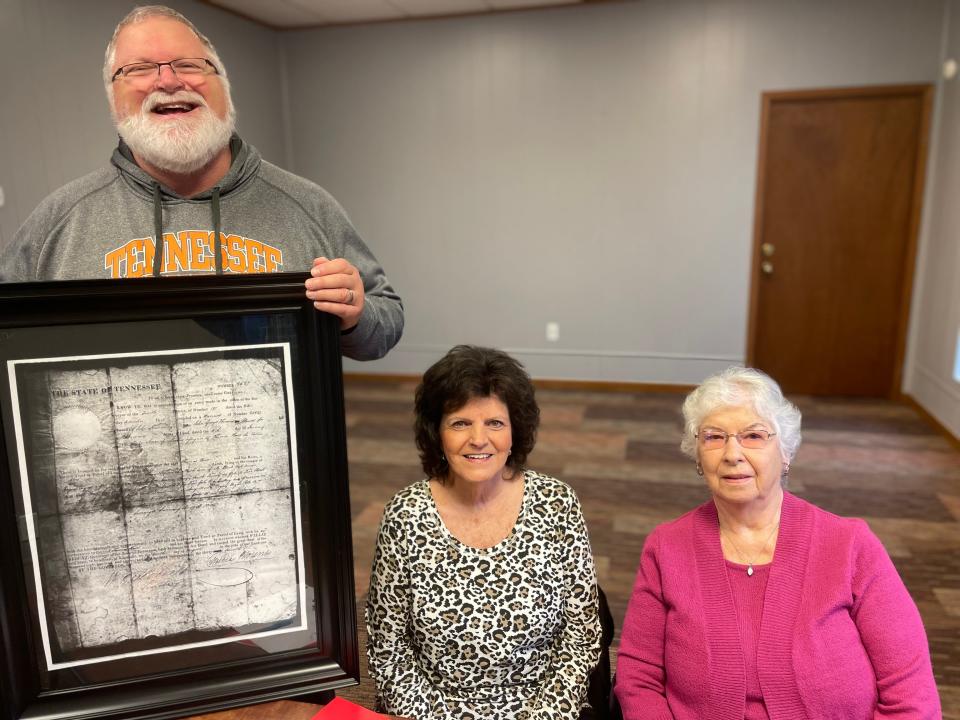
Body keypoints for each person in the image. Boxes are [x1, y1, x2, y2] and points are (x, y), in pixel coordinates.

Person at [0, 5, 402, 361]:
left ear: (224, 87)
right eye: (139, 69)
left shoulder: (307, 203)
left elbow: (383, 328)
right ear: (112, 97)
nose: (169, 81)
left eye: (189, 65)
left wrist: (356, 314)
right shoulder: (59, 219)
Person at [614, 366, 941, 719]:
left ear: (785, 453)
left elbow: (910, 692)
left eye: (753, 436)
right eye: (713, 437)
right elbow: (638, 677)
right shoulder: (666, 547)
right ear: (697, 456)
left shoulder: (850, 545)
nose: (732, 454)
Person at [365, 345, 602, 719]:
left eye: (495, 423)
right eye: (460, 423)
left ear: (514, 432)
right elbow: (388, 647)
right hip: (432, 713)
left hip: (539, 712)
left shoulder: (558, 503)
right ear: (437, 433)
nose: (479, 439)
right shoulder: (404, 514)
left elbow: (581, 637)